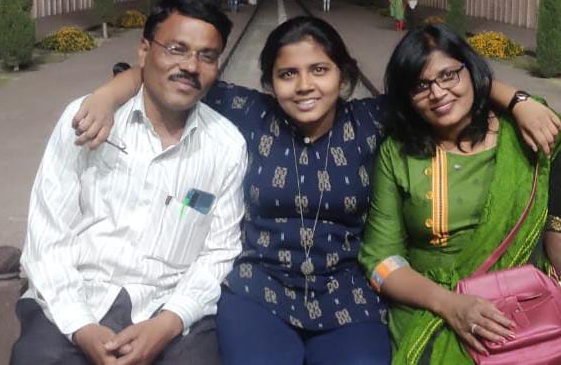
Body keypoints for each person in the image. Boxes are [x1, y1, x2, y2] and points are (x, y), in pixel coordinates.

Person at [73, 18, 559, 365]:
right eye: (288, 74)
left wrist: (518, 102)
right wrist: (105, 96)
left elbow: (442, 83)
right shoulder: (249, 113)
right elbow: (170, 73)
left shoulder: (371, 121)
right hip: (258, 291)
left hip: (347, 295)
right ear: (269, 82)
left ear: (344, 78)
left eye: (319, 71)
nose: (304, 86)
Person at [11, 0, 248, 365]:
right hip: (78, 295)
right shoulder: (88, 119)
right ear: (143, 51)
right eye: (176, 49)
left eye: (207, 56)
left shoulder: (226, 145)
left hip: (167, 304)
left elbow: (219, 252)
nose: (190, 66)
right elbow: (48, 235)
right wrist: (82, 326)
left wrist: (169, 322)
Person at [359, 23, 561, 363]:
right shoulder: (398, 153)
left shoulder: (523, 131)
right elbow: (381, 261)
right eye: (420, 86)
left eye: (449, 75)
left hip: (524, 304)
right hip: (432, 309)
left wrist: (520, 100)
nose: (437, 94)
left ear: (471, 72)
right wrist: (450, 305)